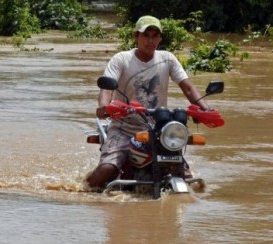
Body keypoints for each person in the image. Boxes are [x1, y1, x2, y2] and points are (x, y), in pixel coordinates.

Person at [85, 15, 213, 190]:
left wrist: (205, 109)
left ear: (160, 38)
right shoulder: (121, 59)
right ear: (136, 36)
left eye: (155, 36)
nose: (150, 40)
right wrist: (104, 107)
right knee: (108, 169)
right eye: (146, 35)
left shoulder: (167, 58)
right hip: (124, 128)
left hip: (159, 129)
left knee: (187, 176)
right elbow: (107, 87)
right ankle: (81, 190)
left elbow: (188, 87)